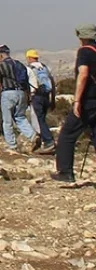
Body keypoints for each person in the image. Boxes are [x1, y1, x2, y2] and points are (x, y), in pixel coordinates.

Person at [53, 25, 96, 183]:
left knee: (67, 135)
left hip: (88, 101)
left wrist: (77, 100)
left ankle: (65, 172)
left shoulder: (85, 51)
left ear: (82, 37)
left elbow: (83, 74)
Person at [0, 44, 38, 153]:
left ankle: (12, 146)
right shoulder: (20, 65)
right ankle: (33, 136)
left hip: (8, 93)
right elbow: (26, 83)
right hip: (22, 93)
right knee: (20, 117)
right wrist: (27, 97)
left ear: (1, 55)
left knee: (7, 121)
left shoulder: (0, 67)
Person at [26, 49, 57, 154]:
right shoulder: (44, 67)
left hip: (37, 96)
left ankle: (48, 142)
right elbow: (52, 82)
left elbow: (28, 85)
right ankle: (46, 141)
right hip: (46, 96)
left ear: (29, 58)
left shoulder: (29, 69)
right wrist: (53, 99)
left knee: (39, 120)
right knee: (43, 119)